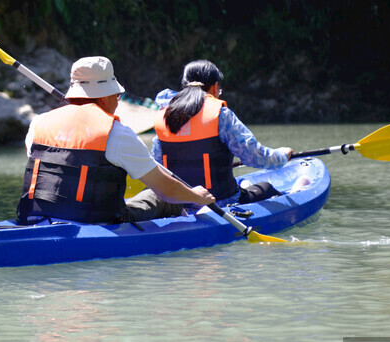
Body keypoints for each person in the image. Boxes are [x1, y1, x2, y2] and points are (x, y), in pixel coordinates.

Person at [18, 56, 214, 224]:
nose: (117, 102)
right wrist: (197, 196)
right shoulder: (117, 134)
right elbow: (167, 190)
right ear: (104, 99)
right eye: (117, 96)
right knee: (164, 199)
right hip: (96, 222)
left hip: (34, 218)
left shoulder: (39, 122)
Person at [152, 59, 298, 205]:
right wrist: (283, 155)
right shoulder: (220, 115)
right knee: (266, 188)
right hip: (221, 202)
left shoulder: (164, 115)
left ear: (183, 87)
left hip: (175, 206)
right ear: (215, 88)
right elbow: (256, 157)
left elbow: (156, 168)